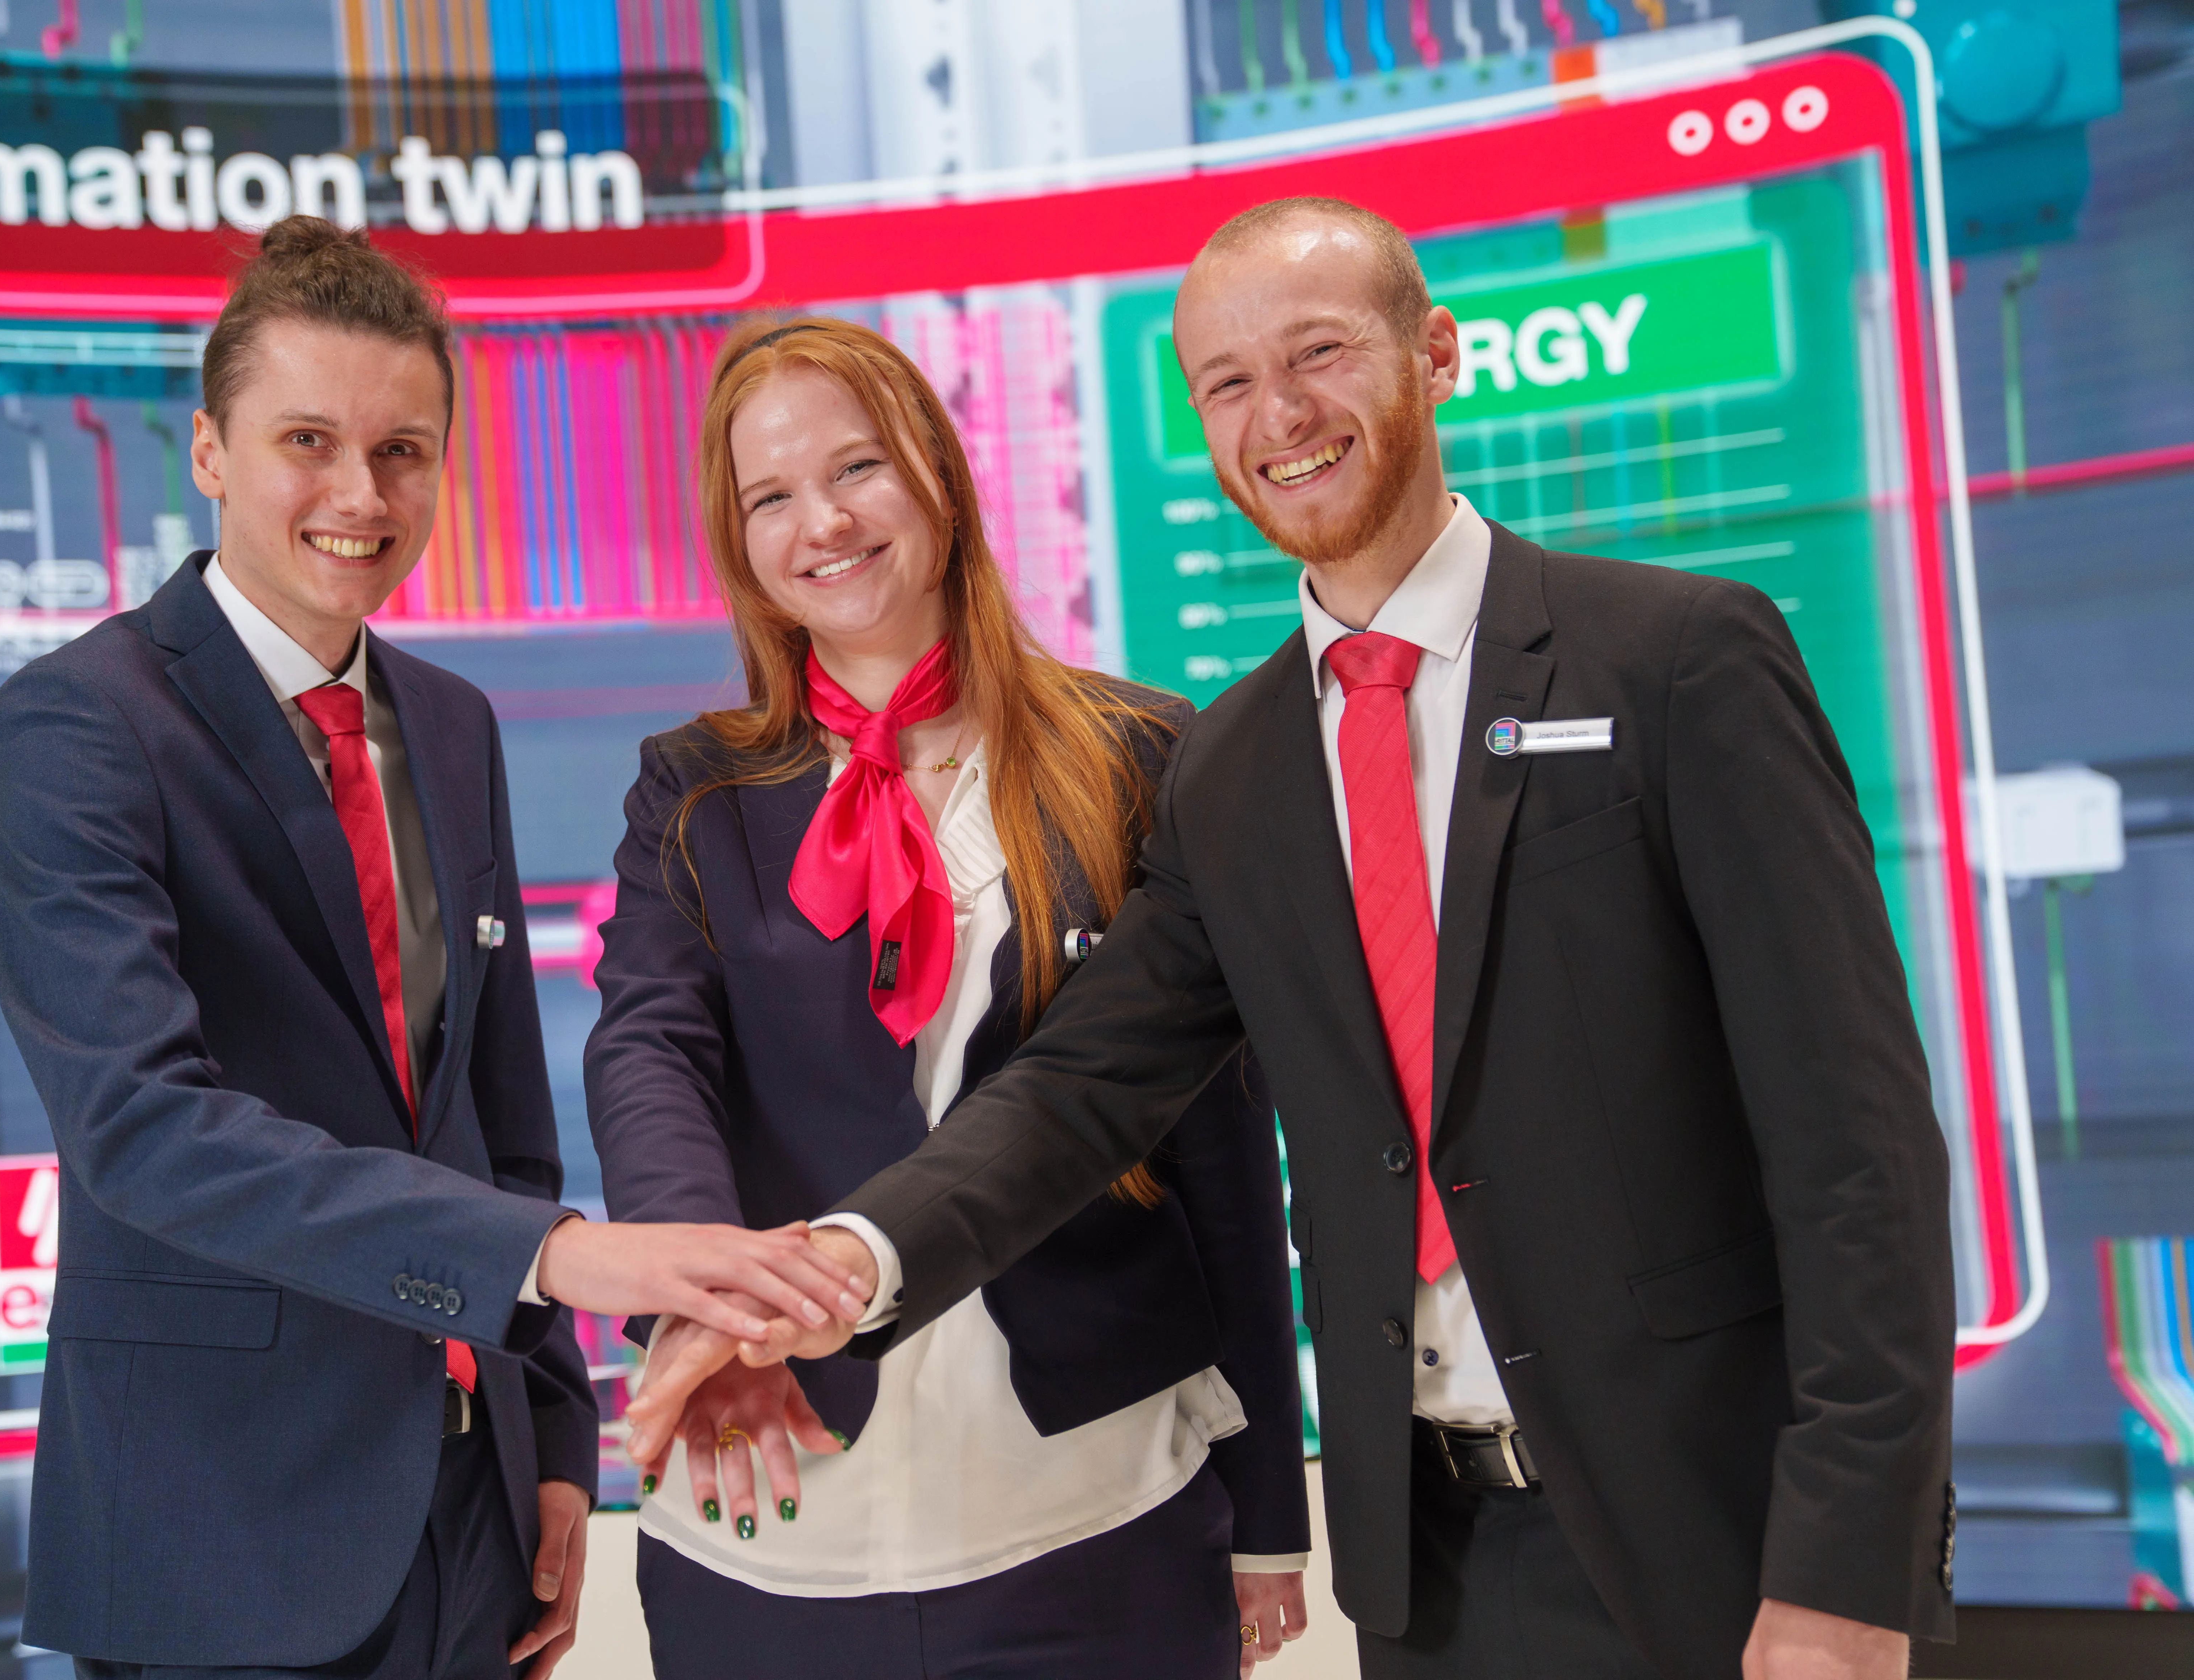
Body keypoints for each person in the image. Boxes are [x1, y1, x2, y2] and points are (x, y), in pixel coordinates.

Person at [632, 200, 1958, 1680]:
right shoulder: (1237, 765)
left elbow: (1854, 1148)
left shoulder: (1675, 659)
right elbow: (1084, 1088)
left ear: (1433, 354)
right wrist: (840, 1268)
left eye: (1317, 353)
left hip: (1716, 1537)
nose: (1282, 417)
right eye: (1228, 384)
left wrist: (1848, 1562)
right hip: (1433, 1568)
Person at [0, 218, 865, 1680]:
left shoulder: (449, 727)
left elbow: (498, 1121)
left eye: (403, 451)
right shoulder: (80, 724)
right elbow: (143, 1129)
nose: (358, 493)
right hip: (228, 1533)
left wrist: (559, 1439)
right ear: (206, 451)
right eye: (306, 440)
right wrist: (561, 1259)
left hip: (475, 1505)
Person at [586, 315, 1312, 1679]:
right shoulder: (692, 789)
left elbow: (1218, 1149)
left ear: (937, 470)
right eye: (771, 496)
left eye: (856, 467)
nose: (824, 522)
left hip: (1093, 1515)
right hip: (777, 1520)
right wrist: (706, 1302)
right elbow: (649, 1052)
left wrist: (1270, 1510)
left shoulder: (1141, 754)